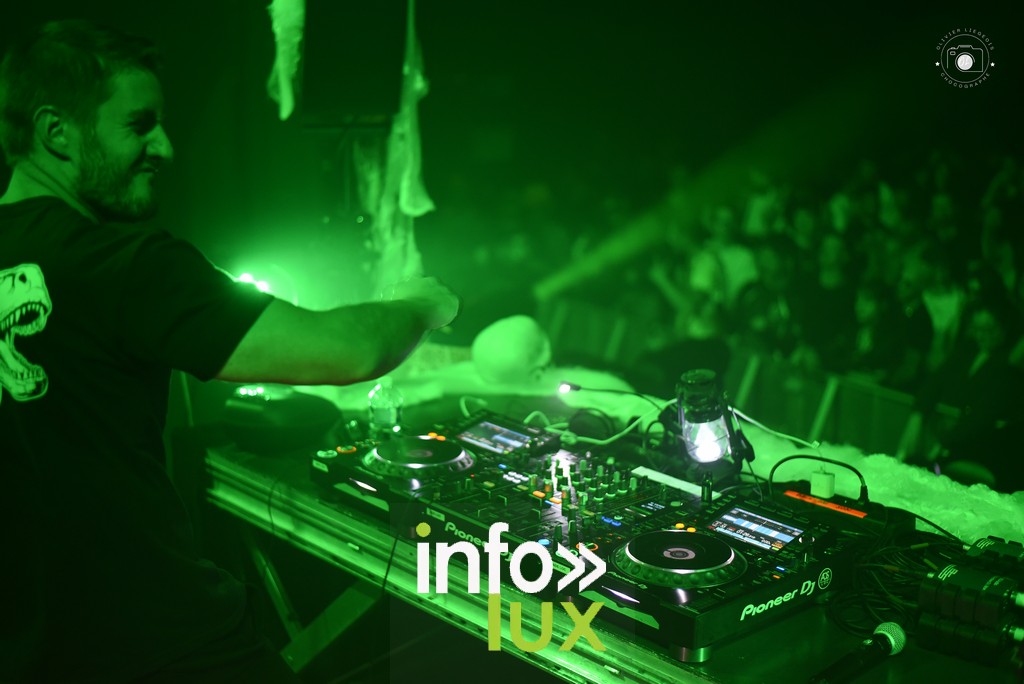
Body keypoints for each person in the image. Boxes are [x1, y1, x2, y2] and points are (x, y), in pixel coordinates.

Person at [0, 20, 460, 683]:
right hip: (158, 640)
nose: (164, 146)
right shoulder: (123, 265)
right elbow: (347, 352)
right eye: (139, 125)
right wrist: (418, 303)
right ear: (57, 132)